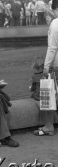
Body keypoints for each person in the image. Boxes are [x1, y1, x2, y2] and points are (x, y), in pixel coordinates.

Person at [34, 0, 58, 136]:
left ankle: (49, 125)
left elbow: (52, 48)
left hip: (56, 65)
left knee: (47, 93)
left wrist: (46, 66)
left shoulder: (55, 24)